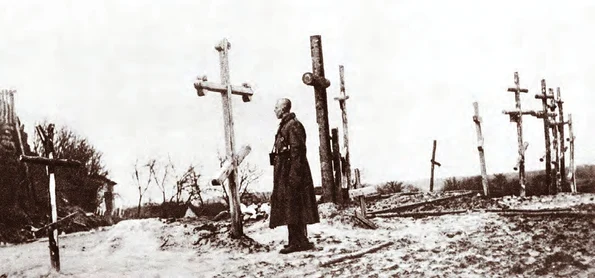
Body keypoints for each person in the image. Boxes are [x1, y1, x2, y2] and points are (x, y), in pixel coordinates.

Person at [269, 98, 320, 254]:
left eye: (276, 107)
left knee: (294, 207)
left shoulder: (293, 125)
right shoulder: (286, 125)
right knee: (290, 207)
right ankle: (297, 241)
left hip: (293, 172)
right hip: (285, 172)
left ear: (284, 109)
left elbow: (297, 152)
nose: (274, 110)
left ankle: (298, 242)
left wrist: (294, 175)